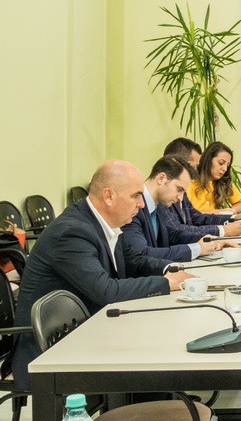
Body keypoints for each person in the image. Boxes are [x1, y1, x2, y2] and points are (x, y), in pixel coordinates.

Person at [11, 160, 196, 389]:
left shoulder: (105, 222)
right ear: (108, 196)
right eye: (135, 196)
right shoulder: (72, 231)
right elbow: (105, 290)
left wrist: (172, 270)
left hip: (87, 330)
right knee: (151, 351)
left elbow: (135, 260)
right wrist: (166, 283)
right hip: (49, 352)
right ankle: (152, 405)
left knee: (157, 337)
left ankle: (161, 402)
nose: (141, 204)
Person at [122, 155, 240, 263]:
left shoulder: (158, 204)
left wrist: (209, 241)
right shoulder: (133, 207)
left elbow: (173, 235)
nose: (180, 198)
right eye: (179, 189)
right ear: (161, 178)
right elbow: (142, 254)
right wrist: (197, 249)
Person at [160, 138, 241, 238]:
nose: (194, 172)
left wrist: (232, 218)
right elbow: (178, 231)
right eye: (193, 167)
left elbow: (196, 217)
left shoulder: (180, 191)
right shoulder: (164, 196)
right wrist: (222, 230)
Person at [187, 141, 241, 214]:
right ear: (208, 160)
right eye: (221, 163)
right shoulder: (189, 181)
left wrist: (231, 211)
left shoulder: (223, 182)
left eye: (227, 165)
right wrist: (220, 212)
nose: (225, 169)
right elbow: (189, 214)